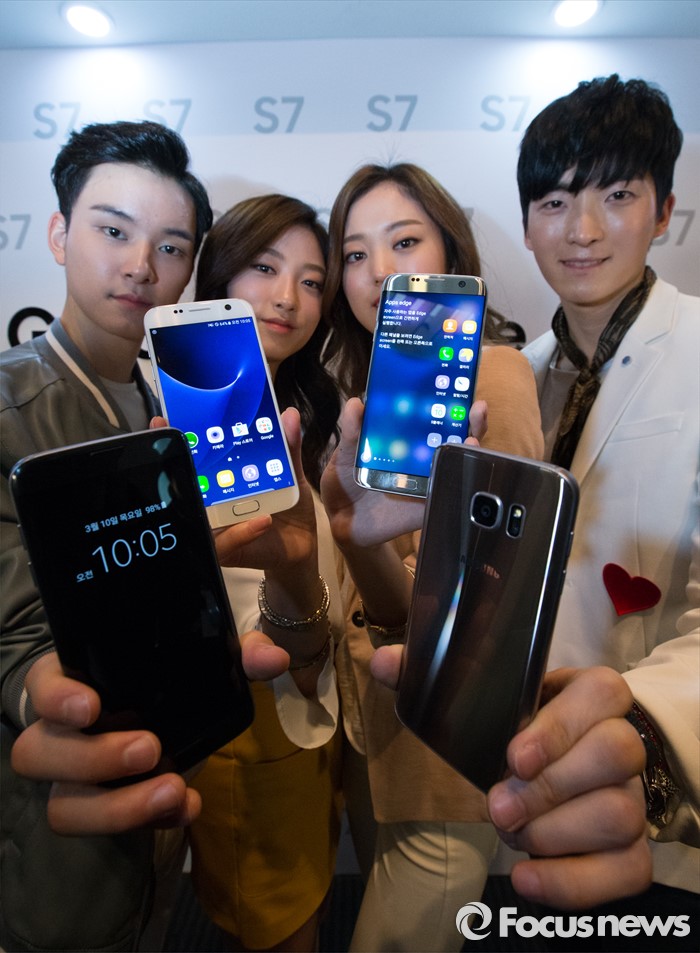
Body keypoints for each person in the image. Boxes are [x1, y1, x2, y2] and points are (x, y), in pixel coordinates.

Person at [0, 122, 289, 953]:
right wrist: (36, 690)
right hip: (52, 825)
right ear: (59, 235)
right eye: (113, 231)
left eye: (170, 246)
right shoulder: (11, 408)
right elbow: (17, 634)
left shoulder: (166, 403)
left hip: (167, 802)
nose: (140, 266)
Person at [491, 73, 699, 945]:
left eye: (616, 195)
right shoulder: (510, 379)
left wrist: (646, 732)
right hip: (518, 792)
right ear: (526, 223)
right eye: (554, 201)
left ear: (665, 211)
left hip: (665, 817)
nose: (581, 230)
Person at [319, 162, 545, 951]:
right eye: (355, 253)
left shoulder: (494, 372)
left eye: (404, 241)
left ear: (450, 250)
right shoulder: (365, 385)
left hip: (444, 745)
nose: (378, 271)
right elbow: (380, 592)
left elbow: (494, 589)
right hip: (373, 729)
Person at [184, 194, 344, 952]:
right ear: (219, 274)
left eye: (311, 281)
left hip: (318, 699)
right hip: (245, 715)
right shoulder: (176, 412)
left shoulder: (310, 404)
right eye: (265, 268)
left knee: (311, 897)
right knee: (277, 925)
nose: (288, 298)